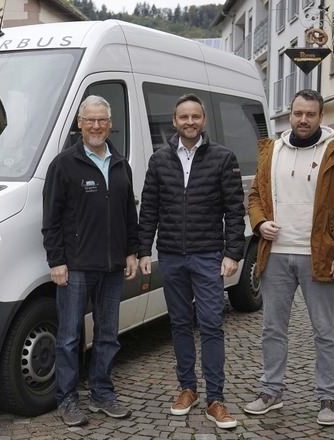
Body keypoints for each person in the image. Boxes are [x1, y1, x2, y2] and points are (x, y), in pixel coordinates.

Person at [243, 89, 334, 426]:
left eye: (310, 114)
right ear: (289, 114)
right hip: (276, 254)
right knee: (272, 329)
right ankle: (271, 391)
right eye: (298, 113)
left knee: (325, 331)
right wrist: (260, 222)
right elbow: (255, 196)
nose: (303, 120)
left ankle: (327, 398)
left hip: (319, 256)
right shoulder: (273, 150)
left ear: (321, 116)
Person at [138, 93, 245, 429]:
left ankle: (216, 398)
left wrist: (233, 253)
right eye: (183, 117)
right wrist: (145, 251)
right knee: (180, 324)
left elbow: (234, 211)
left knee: (212, 324)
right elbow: (149, 209)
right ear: (174, 121)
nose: (189, 122)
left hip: (208, 255)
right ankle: (188, 388)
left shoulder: (222, 158)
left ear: (203, 120)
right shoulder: (159, 160)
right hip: (170, 256)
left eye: (195, 117)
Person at [42, 95, 139, 427]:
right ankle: (67, 398)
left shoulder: (120, 162)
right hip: (76, 266)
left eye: (102, 120)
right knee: (69, 337)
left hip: (112, 266)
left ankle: (101, 394)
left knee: (108, 335)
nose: (96, 126)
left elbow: (129, 212)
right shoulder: (64, 164)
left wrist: (131, 250)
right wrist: (56, 260)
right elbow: (51, 219)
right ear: (79, 124)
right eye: (90, 120)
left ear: (110, 123)